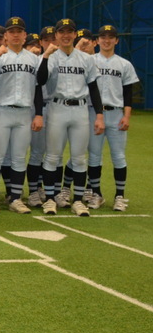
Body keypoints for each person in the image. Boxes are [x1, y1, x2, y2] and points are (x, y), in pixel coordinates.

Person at [37, 18, 104, 216]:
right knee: (52, 156)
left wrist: (99, 115)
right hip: (57, 107)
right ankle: (50, 199)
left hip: (81, 110)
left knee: (79, 158)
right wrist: (46, 56)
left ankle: (77, 200)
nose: (65, 35)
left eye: (70, 31)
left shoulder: (86, 59)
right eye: (62, 32)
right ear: (56, 35)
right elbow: (40, 80)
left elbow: (93, 87)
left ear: (75, 35)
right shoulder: (51, 56)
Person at [0, 17, 42, 213]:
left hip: (25, 112)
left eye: (19, 31)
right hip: (1, 110)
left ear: (25, 35)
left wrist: (39, 114)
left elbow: (39, 88)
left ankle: (15, 198)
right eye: (12, 31)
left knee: (18, 157)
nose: (15, 35)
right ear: (6, 35)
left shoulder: (34, 59)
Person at [85, 24, 137, 211]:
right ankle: (96, 194)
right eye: (103, 36)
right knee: (94, 157)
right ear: (97, 40)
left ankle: (120, 196)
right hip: (93, 113)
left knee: (118, 157)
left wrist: (127, 116)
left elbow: (128, 92)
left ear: (117, 40)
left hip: (116, 113)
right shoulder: (90, 61)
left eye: (111, 37)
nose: (106, 40)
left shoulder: (124, 64)